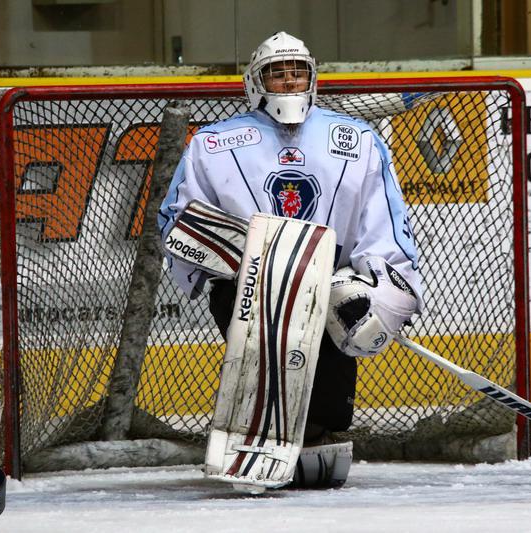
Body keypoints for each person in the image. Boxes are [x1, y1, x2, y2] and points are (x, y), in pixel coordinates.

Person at [158, 31, 423, 487]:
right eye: (277, 74)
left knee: (330, 379)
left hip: (330, 281)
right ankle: (259, 436)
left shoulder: (357, 138)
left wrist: (382, 287)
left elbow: (383, 221)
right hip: (248, 283)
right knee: (261, 364)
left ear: (313, 78)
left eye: (297, 72)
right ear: (255, 82)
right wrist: (232, 260)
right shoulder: (214, 143)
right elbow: (179, 221)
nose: (289, 82)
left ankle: (319, 436)